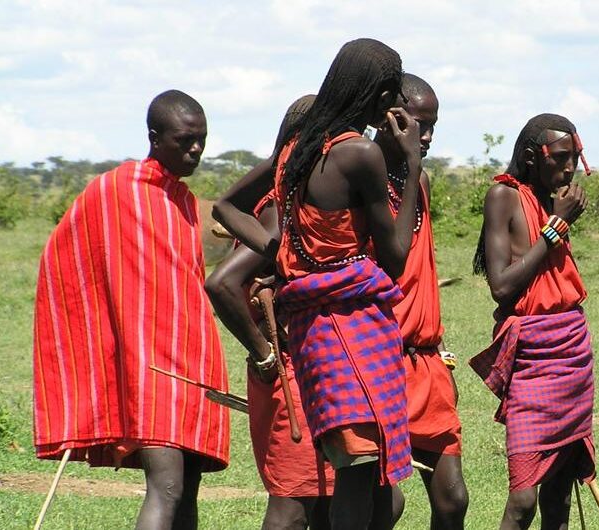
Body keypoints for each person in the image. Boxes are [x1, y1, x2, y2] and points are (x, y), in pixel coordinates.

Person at [215, 38, 421, 530]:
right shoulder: (360, 154)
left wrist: (281, 254)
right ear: (378, 92)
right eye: (390, 92)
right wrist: (411, 164)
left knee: (356, 471)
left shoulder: (295, 151)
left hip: (310, 333)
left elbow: (226, 207)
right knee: (359, 476)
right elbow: (394, 259)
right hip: (353, 328)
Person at [33, 89, 230, 529]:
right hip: (151, 368)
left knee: (189, 487)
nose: (195, 149)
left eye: (202, 139)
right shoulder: (114, 190)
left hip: (195, 364)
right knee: (167, 487)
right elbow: (65, 258)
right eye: (184, 140)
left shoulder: (184, 202)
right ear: (154, 137)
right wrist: (104, 330)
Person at [206, 95, 333, 529]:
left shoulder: (304, 206)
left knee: (339, 501)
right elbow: (221, 282)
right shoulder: (281, 210)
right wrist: (264, 354)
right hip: (291, 374)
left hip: (313, 370)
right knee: (294, 503)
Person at [470, 113, 595, 530]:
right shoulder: (503, 197)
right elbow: (502, 286)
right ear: (530, 156)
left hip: (571, 353)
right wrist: (557, 226)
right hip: (532, 358)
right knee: (523, 499)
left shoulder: (550, 199)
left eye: (575, 158)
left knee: (559, 492)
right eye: (560, 157)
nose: (569, 168)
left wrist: (556, 218)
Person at [376, 73, 469, 529]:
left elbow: (421, 275)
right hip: (379, 362)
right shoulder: (361, 178)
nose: (426, 136)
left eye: (432, 126)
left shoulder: (422, 182)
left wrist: (439, 350)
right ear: (389, 118)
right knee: (384, 505)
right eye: (418, 125)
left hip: (426, 362)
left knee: (452, 500)